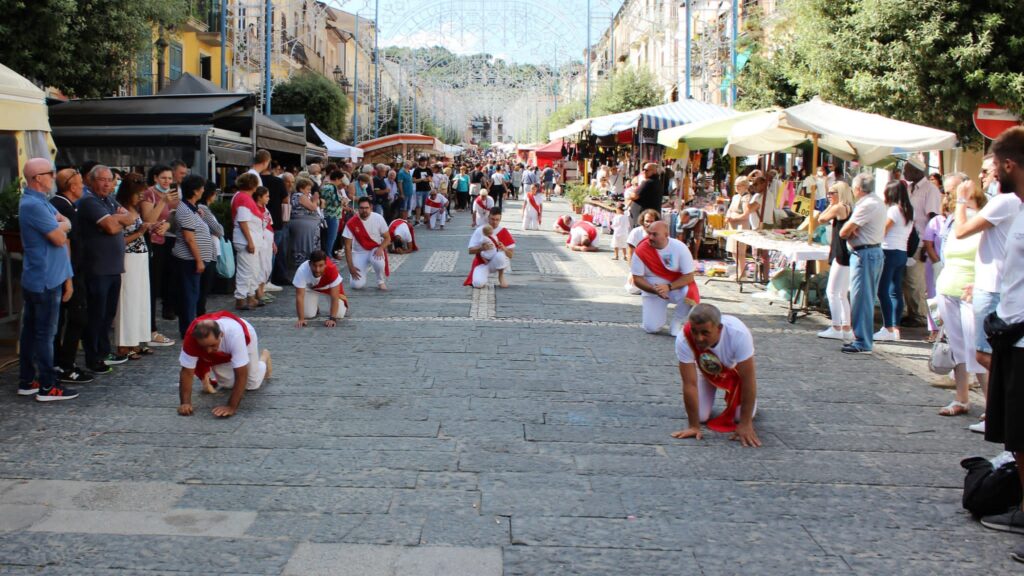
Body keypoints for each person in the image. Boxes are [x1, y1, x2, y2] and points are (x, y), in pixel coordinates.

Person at [976, 127, 1024, 552]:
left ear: (1009, 165)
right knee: (1016, 434)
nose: (989, 174)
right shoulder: (1019, 207)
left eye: (993, 166)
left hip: (1022, 336)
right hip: (1011, 332)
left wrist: (1017, 324)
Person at [18, 158, 75, 400]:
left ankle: (27, 380)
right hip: (44, 279)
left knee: (32, 332)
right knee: (44, 334)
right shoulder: (33, 205)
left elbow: (65, 222)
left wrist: (62, 224)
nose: (54, 176)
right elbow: (59, 237)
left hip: (46, 277)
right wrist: (62, 225)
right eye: (50, 173)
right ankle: (47, 385)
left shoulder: (42, 203)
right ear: (37, 178)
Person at [670, 304, 760, 447]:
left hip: (735, 374)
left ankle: (750, 405)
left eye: (705, 333)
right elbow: (689, 384)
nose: (699, 338)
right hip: (705, 371)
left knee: (739, 417)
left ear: (719, 329)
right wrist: (694, 426)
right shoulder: (684, 338)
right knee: (700, 416)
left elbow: (748, 380)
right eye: (694, 331)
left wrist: (745, 423)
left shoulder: (738, 334)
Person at [934, 183, 987, 417]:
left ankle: (991, 406)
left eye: (965, 200)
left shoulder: (984, 224)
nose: (960, 205)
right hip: (948, 287)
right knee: (957, 347)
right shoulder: (952, 224)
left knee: (978, 349)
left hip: (970, 290)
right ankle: (961, 398)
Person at [78, 165, 134, 373]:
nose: (107, 184)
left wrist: (116, 218)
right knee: (96, 314)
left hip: (113, 268)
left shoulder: (109, 200)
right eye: (102, 180)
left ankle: (103, 350)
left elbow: (130, 219)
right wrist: (116, 219)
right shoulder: (89, 200)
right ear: (91, 181)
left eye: (110, 180)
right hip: (97, 267)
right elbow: (111, 227)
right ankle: (93, 357)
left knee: (108, 314)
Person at [177, 312, 272, 418]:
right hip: (225, 346)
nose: (208, 351)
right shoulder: (192, 337)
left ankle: (263, 358)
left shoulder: (235, 334)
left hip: (245, 338)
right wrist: (185, 403)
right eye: (204, 347)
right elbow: (187, 372)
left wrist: (231, 407)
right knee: (227, 384)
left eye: (212, 345)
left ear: (221, 335)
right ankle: (226, 358)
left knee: (252, 384)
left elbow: (241, 374)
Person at [50, 168, 93, 385]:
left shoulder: (68, 205)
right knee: (75, 318)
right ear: (72, 186)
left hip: (73, 271)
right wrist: (68, 278)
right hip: (68, 272)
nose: (83, 187)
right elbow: (64, 243)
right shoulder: (60, 205)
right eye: (80, 184)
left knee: (71, 319)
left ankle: (64, 362)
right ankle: (64, 364)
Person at [839, 173, 886, 354]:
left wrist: (850, 231)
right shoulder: (876, 202)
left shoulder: (867, 205)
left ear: (858, 189)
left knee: (862, 298)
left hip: (865, 253)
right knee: (864, 297)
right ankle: (863, 339)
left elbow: (844, 231)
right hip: (870, 251)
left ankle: (863, 341)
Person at [170, 173, 219, 338]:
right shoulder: (184, 210)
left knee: (193, 294)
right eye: (202, 187)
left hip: (193, 260)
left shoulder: (192, 208)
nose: (204, 190)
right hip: (188, 260)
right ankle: (187, 329)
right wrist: (199, 260)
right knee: (189, 296)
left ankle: (191, 327)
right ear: (196, 190)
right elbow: (189, 239)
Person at [630, 221, 699, 335]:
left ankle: (677, 322)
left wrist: (668, 287)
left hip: (674, 287)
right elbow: (637, 279)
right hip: (652, 290)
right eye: (649, 233)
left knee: (688, 292)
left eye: (655, 234)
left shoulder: (679, 247)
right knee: (651, 328)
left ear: (666, 235)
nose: (650, 237)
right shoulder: (641, 250)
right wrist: (654, 290)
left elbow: (689, 276)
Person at [112, 175, 152, 359]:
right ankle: (124, 343)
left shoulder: (133, 209)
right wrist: (140, 232)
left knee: (140, 300)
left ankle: (136, 340)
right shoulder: (119, 209)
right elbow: (120, 240)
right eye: (139, 194)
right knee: (127, 300)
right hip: (128, 257)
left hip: (140, 257)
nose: (141, 197)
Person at [141, 164, 178, 336]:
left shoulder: (170, 194)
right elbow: (148, 219)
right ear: (155, 178)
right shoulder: (149, 194)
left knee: (162, 283)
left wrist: (168, 224)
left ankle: (153, 323)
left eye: (170, 178)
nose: (167, 181)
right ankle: (149, 326)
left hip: (164, 241)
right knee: (151, 286)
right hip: (150, 242)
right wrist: (163, 200)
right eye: (163, 178)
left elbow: (172, 215)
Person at [875, 180, 915, 342]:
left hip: (889, 251)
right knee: (895, 290)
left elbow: (883, 230)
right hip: (902, 252)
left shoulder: (893, 210)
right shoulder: (908, 211)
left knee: (882, 290)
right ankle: (895, 327)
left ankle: (888, 327)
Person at [817, 182, 855, 341]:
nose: (829, 195)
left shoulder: (839, 207)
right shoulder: (849, 207)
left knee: (832, 291)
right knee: (841, 293)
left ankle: (836, 326)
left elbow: (821, 218)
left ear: (840, 193)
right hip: (845, 251)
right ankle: (846, 327)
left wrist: (829, 205)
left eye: (832, 192)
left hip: (840, 251)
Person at [343, 197, 392, 290]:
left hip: (374, 249)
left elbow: (387, 238)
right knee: (356, 285)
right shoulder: (351, 223)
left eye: (366, 208)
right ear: (358, 209)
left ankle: (380, 281)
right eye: (361, 208)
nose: (364, 210)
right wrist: (350, 267)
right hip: (359, 252)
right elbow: (347, 246)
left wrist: (381, 248)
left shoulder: (378, 218)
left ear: (371, 208)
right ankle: (361, 276)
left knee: (379, 261)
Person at [294, 249, 347, 328]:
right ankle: (314, 306)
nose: (317, 270)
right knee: (308, 314)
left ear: (325, 264)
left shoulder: (332, 269)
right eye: (314, 265)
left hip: (329, 289)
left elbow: (334, 297)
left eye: (321, 265)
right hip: (311, 289)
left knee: (339, 314)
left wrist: (332, 319)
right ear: (309, 264)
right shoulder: (302, 270)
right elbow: (299, 296)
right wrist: (301, 319)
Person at [231, 174, 262, 310]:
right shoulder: (243, 199)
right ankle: (241, 298)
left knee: (252, 269)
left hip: (248, 239)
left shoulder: (241, 197)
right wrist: (250, 241)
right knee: (246, 270)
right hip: (246, 240)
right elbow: (243, 221)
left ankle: (249, 296)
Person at [465, 207, 515, 289]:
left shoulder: (503, 231)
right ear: (488, 217)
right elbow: (470, 251)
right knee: (478, 284)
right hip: (482, 263)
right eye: (492, 219)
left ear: (500, 219)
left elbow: (510, 255)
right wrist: (482, 248)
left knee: (501, 256)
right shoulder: (480, 230)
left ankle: (501, 276)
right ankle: (482, 276)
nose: (494, 222)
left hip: (497, 262)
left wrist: (504, 248)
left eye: (497, 220)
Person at [196, 182, 225, 317]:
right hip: (207, 251)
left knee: (204, 287)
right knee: (203, 287)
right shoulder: (203, 209)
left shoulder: (205, 209)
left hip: (210, 250)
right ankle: (200, 313)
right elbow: (218, 230)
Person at [288, 176, 321, 269]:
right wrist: (314, 200)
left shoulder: (301, 196)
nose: (309, 191)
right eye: (308, 189)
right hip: (303, 227)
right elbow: (313, 207)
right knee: (303, 247)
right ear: (301, 188)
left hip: (307, 225)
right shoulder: (299, 196)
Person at [320, 170, 345, 258]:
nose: (341, 182)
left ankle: (327, 256)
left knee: (327, 237)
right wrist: (343, 201)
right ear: (337, 179)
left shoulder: (325, 186)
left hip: (327, 214)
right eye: (341, 180)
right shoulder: (332, 187)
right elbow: (335, 202)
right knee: (331, 238)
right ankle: (328, 257)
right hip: (332, 215)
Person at [412, 156, 433, 226]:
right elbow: (413, 180)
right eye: (423, 161)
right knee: (419, 205)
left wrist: (428, 179)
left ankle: (425, 219)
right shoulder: (417, 170)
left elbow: (431, 179)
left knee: (425, 205)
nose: (424, 162)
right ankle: (417, 220)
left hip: (427, 189)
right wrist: (421, 179)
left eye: (425, 161)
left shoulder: (428, 169)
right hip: (419, 190)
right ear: (420, 162)